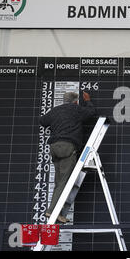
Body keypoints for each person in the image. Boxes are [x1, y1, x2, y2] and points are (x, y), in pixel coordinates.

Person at [40, 91, 96, 223]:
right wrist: (88, 101)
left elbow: (42, 121)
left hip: (54, 147)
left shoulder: (55, 110)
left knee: (59, 183)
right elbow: (91, 112)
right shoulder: (75, 109)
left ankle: (56, 212)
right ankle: (51, 211)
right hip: (67, 147)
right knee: (64, 182)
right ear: (75, 101)